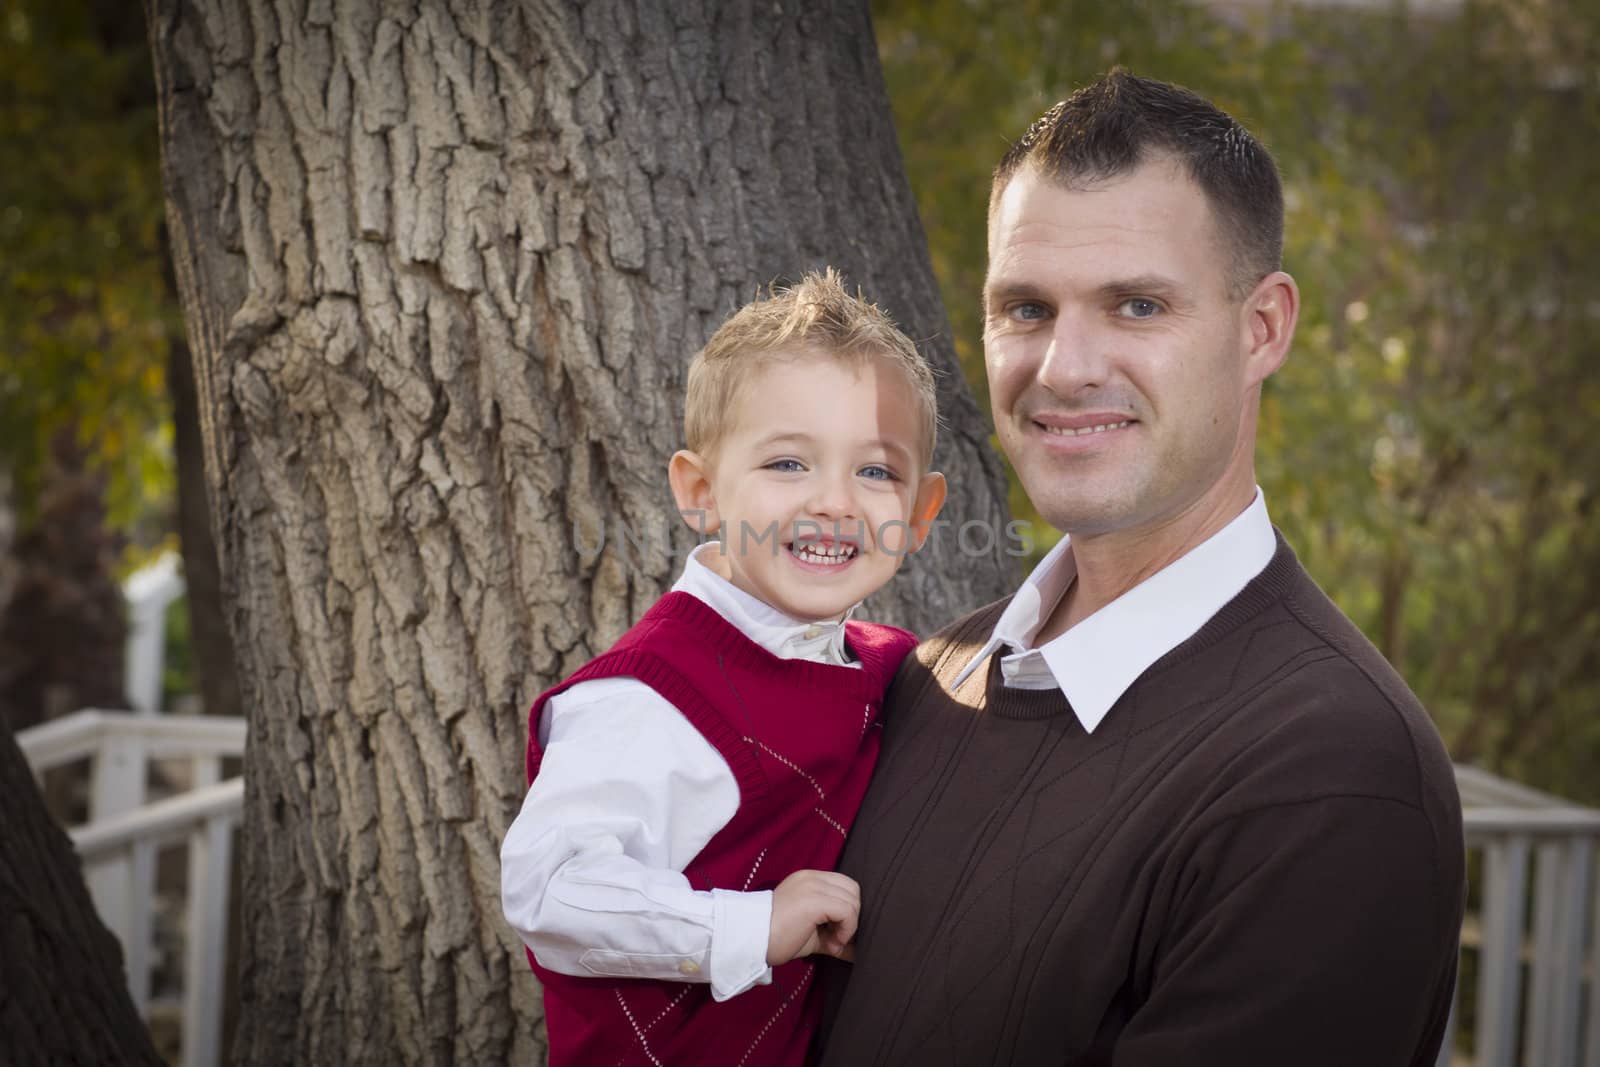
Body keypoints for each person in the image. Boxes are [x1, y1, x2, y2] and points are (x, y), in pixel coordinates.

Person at [816, 70, 1465, 1066]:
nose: (1065, 366)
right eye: (1025, 308)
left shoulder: (1331, 776)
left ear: (1262, 329)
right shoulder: (925, 678)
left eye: (1137, 305)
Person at [501, 268, 948, 1066]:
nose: (836, 502)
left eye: (875, 471)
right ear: (701, 491)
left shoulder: (891, 668)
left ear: (918, 517)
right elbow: (547, 886)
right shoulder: (649, 697)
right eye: (787, 464)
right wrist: (745, 925)